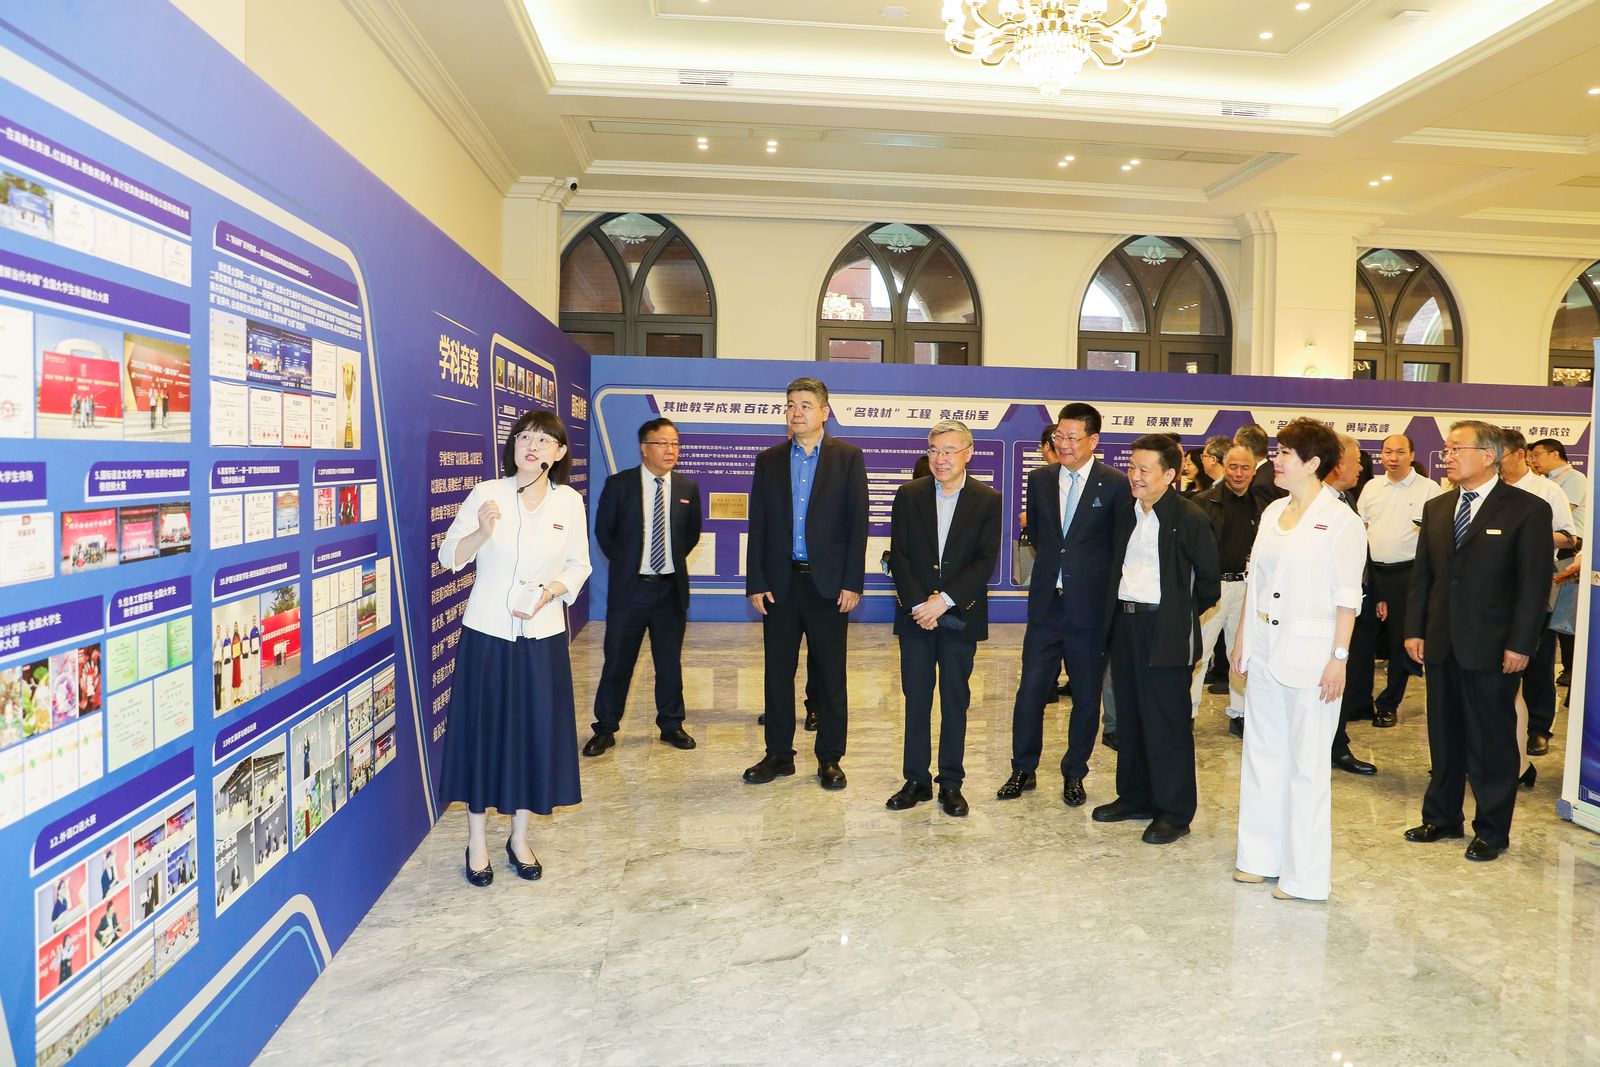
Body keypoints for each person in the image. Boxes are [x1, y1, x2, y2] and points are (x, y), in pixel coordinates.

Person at [437, 409, 590, 885]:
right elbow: (449, 557)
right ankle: (477, 842)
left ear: (558, 453)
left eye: (544, 440)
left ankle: (519, 839)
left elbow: (579, 565)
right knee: (482, 735)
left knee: (533, 735)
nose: (532, 446)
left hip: (542, 638)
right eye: (524, 437)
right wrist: (482, 532)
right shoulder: (488, 493)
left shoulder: (569, 502)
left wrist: (549, 593)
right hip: (487, 636)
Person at [1404, 420, 1552, 863]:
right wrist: (1415, 629)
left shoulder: (1527, 509)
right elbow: (1424, 577)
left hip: (1493, 646)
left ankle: (1492, 829)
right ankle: (1442, 817)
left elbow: (1533, 584)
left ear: (1488, 456)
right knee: (1443, 734)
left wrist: (1521, 644)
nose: (1446, 456)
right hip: (1441, 642)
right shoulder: (1437, 507)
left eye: (1456, 449)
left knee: (1491, 741)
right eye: (1446, 449)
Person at [1231, 417, 1366, 902]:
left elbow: (1348, 598)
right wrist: (1242, 639)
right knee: (1262, 753)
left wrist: (1339, 658)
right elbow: (1255, 581)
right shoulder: (1273, 511)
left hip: (1313, 655)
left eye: (1285, 453)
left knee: (1307, 763)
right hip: (1265, 647)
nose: (1276, 460)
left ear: (1313, 463)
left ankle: (1303, 877)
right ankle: (1259, 857)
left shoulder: (1342, 522)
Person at [999, 402, 1130, 808]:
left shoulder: (1115, 484)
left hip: (1089, 611)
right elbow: (1039, 535)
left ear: (1094, 440)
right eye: (1059, 436)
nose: (1064, 444)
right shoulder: (1040, 479)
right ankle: (1023, 768)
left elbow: (1119, 548)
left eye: (1073, 437)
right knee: (1030, 692)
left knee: (1086, 696)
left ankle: (1075, 772)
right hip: (1046, 607)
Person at [1092, 435, 1219, 844]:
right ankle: (1135, 798)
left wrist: (1176, 614)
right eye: (1132, 467)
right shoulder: (1126, 514)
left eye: (1144, 470)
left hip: (1165, 629)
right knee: (1129, 716)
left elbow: (1209, 585)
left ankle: (1174, 812)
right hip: (1126, 625)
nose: (1135, 476)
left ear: (1169, 475)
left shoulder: (1189, 517)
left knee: (1167, 723)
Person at [743, 377, 868, 790]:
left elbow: (858, 524)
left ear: (824, 412)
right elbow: (758, 524)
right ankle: (778, 755)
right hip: (780, 585)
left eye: (806, 405)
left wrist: (852, 581)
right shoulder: (769, 460)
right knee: (777, 674)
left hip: (828, 586)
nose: (797, 412)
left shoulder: (848, 458)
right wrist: (756, 581)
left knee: (830, 676)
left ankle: (830, 758)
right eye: (791, 405)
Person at [885, 420, 1001, 818]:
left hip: (959, 616)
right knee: (916, 699)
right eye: (934, 450)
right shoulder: (908, 494)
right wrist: (921, 605)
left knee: (955, 700)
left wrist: (944, 602)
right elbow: (899, 555)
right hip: (916, 617)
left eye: (949, 451)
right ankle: (915, 779)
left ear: (968, 453)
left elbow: (984, 560)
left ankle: (951, 782)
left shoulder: (987, 499)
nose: (940, 459)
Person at [587, 417, 703, 754]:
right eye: (662, 443)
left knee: (668, 663)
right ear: (644, 448)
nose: (671, 450)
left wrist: (665, 562)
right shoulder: (619, 485)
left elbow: (690, 535)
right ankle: (605, 727)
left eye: (675, 444)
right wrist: (629, 565)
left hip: (670, 591)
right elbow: (605, 532)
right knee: (618, 662)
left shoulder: (687, 488)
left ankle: (671, 724)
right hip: (631, 590)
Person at [1497, 429, 1576, 769]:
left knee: (1537, 661)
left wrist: (1528, 533)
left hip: (1534, 586)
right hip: (1493, 589)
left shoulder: (1547, 490)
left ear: (1520, 454)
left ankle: (1539, 728)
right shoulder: (1488, 488)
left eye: (1499, 454)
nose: (1494, 461)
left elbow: (1570, 538)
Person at [1357, 434, 1442, 729]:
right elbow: (1361, 528)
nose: (1393, 458)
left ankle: (1388, 704)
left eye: (1400, 452)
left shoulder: (1429, 489)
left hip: (1408, 575)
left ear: (1412, 455)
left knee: (1399, 642)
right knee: (1363, 639)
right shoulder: (1371, 487)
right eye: (1387, 452)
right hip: (1372, 573)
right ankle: (1359, 702)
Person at [1191, 445, 1264, 735]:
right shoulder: (1202, 502)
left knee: (1242, 652)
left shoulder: (1263, 505)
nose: (1238, 473)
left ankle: (1240, 713)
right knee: (1200, 654)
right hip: (1213, 588)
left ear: (1254, 470)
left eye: (1245, 467)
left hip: (1245, 589)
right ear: (1224, 467)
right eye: (1233, 466)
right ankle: (1188, 712)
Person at [1324, 435, 1378, 776]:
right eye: (1356, 460)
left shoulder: (1347, 499)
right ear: (1337, 464)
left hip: (1353, 607)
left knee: (1343, 680)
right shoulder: (1318, 506)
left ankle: (1336, 741)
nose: (1361, 467)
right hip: (1327, 614)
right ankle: (1332, 745)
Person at [1529, 438, 1587, 688]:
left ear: (1555, 454)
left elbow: (1559, 514)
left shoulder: (1574, 479)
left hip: (1570, 553)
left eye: (1537, 455)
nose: (1533, 460)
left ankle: (1572, 669)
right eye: (1531, 456)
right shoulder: (1544, 482)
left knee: (1564, 615)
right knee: (1552, 614)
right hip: (1550, 551)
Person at [1234, 423, 1286, 506]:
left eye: (1234, 446)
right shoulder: (1274, 471)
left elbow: (1264, 514)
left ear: (1243, 447)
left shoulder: (1259, 485)